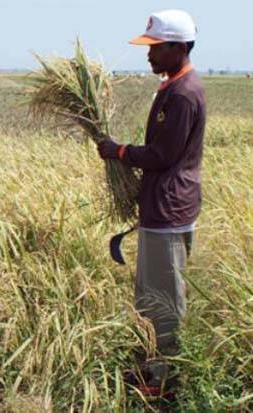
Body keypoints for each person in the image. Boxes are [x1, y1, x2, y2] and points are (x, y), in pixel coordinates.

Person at [98, 9, 205, 397]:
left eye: (156, 48)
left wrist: (118, 151)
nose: (149, 55)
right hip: (162, 207)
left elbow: (163, 156)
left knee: (163, 300)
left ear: (178, 47)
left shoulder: (184, 93)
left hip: (169, 210)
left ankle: (166, 382)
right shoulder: (173, 86)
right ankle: (153, 370)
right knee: (151, 294)